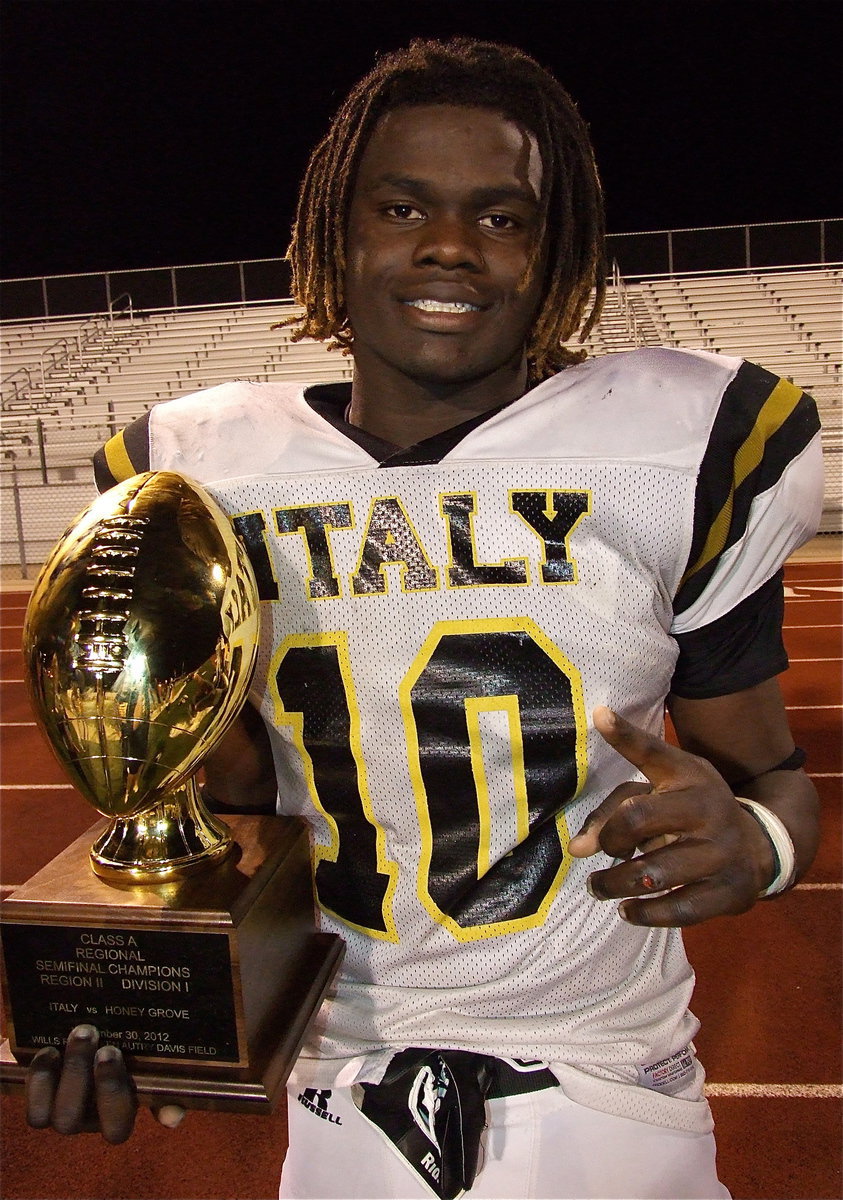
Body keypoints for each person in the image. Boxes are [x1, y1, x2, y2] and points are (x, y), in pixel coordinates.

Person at [26, 37, 822, 1200]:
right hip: (334, 1086)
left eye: (504, 218)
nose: (451, 244)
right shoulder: (199, 472)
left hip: (606, 1081)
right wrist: (143, 996)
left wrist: (761, 839)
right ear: (336, 235)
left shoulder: (680, 448)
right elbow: (234, 811)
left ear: (556, 252)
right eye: (404, 206)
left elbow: (778, 777)